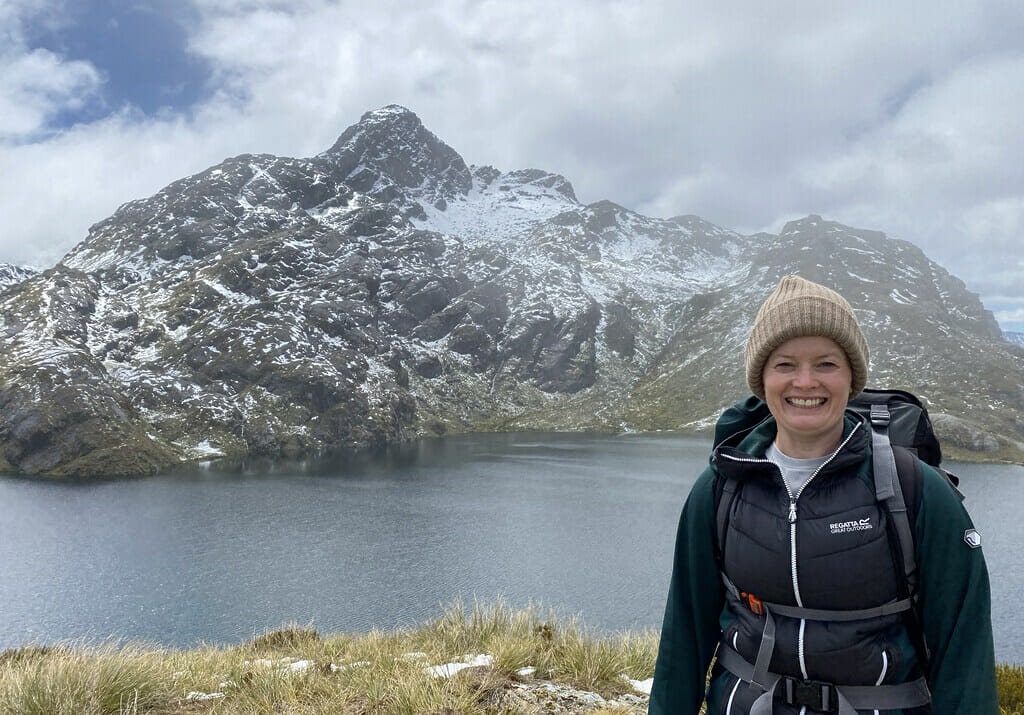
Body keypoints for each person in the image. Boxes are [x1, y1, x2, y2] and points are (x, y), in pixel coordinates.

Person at [648, 275, 998, 714]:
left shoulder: (915, 491)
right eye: (785, 364)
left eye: (827, 364)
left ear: (852, 375)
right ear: (762, 379)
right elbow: (684, 634)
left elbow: (964, 657)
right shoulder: (721, 486)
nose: (806, 382)